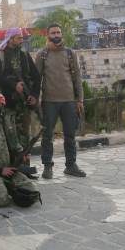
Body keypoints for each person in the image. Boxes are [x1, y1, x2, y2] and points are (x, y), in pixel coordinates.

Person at [35, 23, 86, 179]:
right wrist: (37, 99)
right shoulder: (42, 54)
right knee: (47, 136)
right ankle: (47, 167)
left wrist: (80, 100)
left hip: (69, 100)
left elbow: (77, 76)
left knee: (70, 136)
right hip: (49, 101)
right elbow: (36, 79)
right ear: (48, 35)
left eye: (58, 33)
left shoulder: (70, 53)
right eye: (53, 33)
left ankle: (71, 165)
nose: (56, 35)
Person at [0, 27, 40, 163]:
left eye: (22, 38)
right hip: (7, 104)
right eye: (19, 38)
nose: (21, 40)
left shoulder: (24, 55)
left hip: (24, 103)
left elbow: (36, 76)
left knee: (24, 135)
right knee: (9, 136)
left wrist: (35, 95)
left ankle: (25, 167)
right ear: (10, 39)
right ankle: (11, 167)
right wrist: (14, 85)